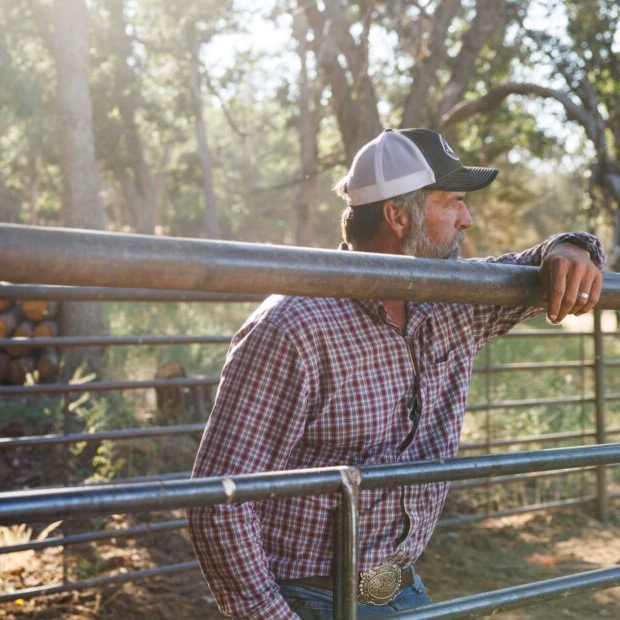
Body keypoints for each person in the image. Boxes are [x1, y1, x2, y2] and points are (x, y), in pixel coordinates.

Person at [187, 128, 606, 619]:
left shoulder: (453, 301)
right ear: (397, 215)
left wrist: (571, 248)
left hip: (402, 590)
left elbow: (537, 266)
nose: (467, 218)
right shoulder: (294, 326)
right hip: (312, 599)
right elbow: (218, 500)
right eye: (452, 202)